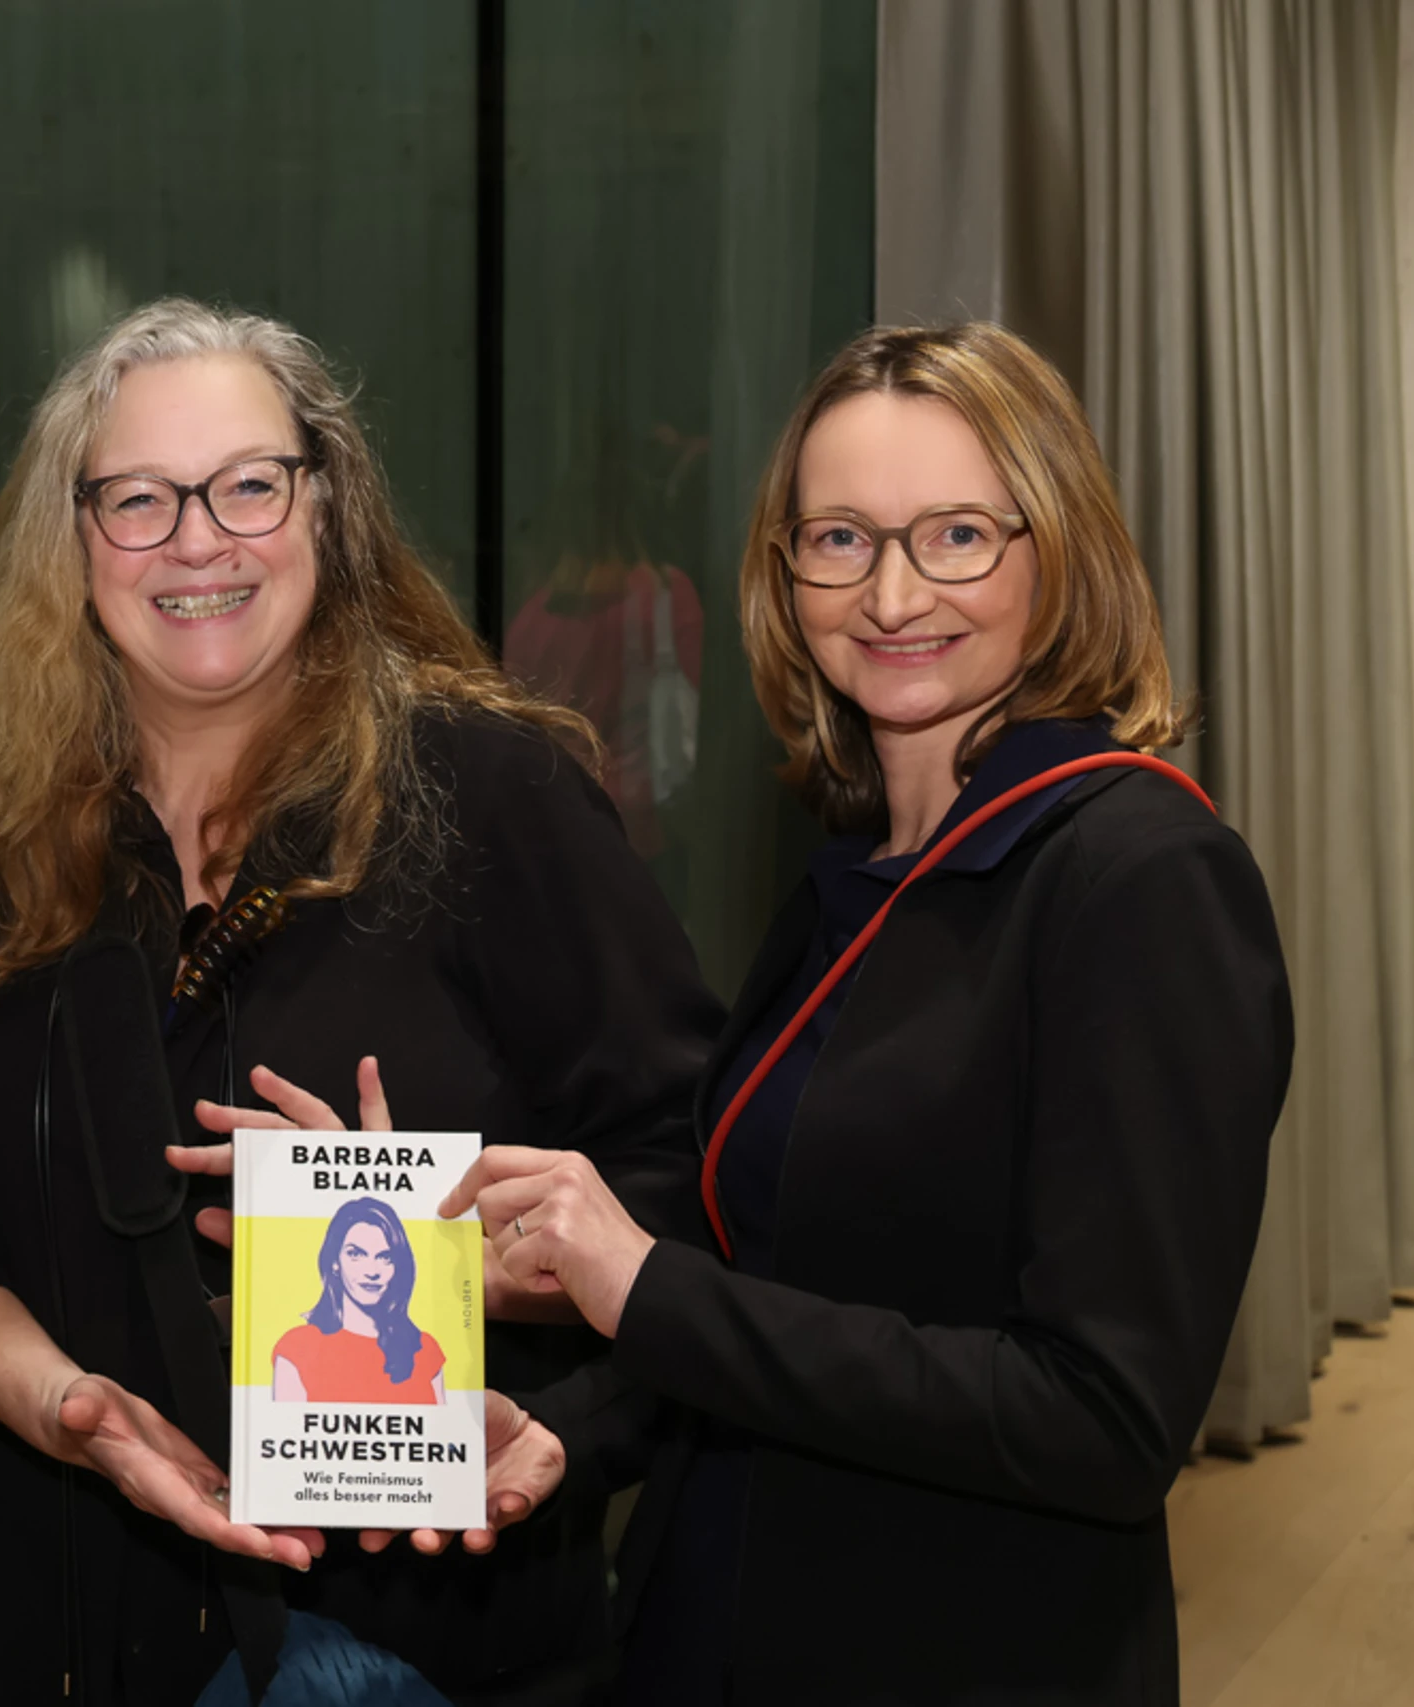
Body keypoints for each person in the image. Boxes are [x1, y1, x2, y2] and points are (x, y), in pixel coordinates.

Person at [0, 297, 722, 1706]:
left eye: (248, 484)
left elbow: (692, 1179)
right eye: (139, 498)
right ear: (73, 538)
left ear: (327, 505)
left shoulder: (495, 800)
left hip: (412, 1636)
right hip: (49, 1620)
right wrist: (62, 1406)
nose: (198, 540)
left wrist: (500, 1309)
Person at [429, 321, 1294, 1705]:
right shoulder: (860, 870)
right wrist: (566, 1429)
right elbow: (780, 1288)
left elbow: (1104, 1421)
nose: (891, 594)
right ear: (786, 572)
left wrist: (644, 1282)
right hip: (718, 1622)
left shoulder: (1141, 878)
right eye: (838, 539)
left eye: (956, 535)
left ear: (1059, 551)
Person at [272, 1198, 444, 1405]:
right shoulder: (297, 1348)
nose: (372, 1271)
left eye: (385, 1257)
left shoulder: (424, 1349)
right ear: (335, 1262)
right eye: (356, 1254)